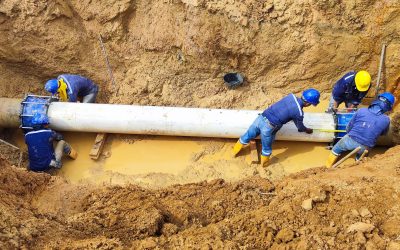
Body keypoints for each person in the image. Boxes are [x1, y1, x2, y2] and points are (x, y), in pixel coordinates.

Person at [232, 88, 321, 167]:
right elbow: (300, 128)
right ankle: (264, 165)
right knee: (266, 148)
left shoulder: (290, 96)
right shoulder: (299, 113)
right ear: (309, 103)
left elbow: (285, 109)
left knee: (247, 136)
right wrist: (307, 130)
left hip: (260, 118)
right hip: (269, 126)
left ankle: (234, 153)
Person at [326, 92, 395, 168]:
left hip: (350, 140)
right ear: (388, 107)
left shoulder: (362, 110)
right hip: (366, 146)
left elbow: (349, 127)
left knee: (335, 149)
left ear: (376, 101)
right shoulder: (386, 120)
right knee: (361, 160)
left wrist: (351, 135)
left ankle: (327, 167)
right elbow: (383, 134)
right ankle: (357, 166)